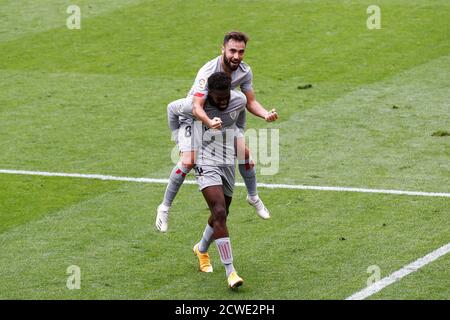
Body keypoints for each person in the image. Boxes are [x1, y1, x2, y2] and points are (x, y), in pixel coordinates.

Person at [156, 31, 278, 232]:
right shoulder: (207, 72)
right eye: (232, 51)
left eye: (241, 52)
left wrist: (265, 115)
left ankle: (253, 196)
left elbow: (250, 101)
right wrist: (181, 136)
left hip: (219, 117)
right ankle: (165, 207)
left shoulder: (245, 71)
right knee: (188, 161)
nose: (236, 56)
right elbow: (195, 107)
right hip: (195, 117)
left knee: (245, 154)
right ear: (223, 49)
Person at [191, 72, 246, 288]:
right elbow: (178, 111)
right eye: (218, 98)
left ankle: (201, 249)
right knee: (219, 211)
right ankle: (231, 272)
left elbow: (240, 124)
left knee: (222, 213)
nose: (223, 102)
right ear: (210, 94)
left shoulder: (239, 100)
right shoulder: (198, 105)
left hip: (227, 161)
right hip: (205, 160)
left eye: (226, 98)